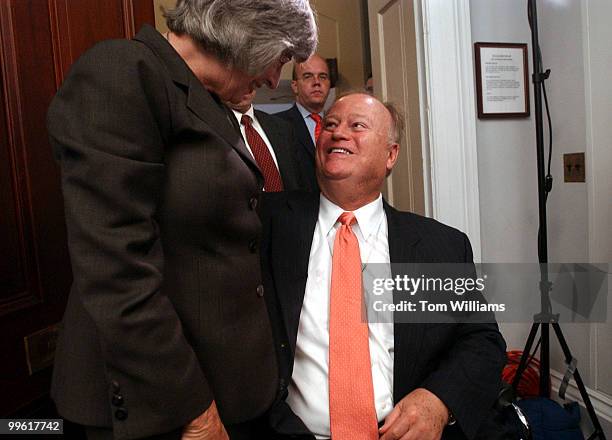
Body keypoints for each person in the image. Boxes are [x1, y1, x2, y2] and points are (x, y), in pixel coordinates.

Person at [46, 1, 316, 439]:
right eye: (280, 59)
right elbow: (116, 268)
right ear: (246, 35)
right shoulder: (124, 70)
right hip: (160, 402)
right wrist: (194, 411)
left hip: (226, 388)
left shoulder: (206, 99)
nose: (272, 79)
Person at [261, 93, 506, 440]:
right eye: (330, 124)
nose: (337, 133)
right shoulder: (268, 225)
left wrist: (438, 400)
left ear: (391, 155)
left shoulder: (438, 247)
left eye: (356, 125)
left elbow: (481, 340)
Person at [228, 90, 307, 192]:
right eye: (236, 78)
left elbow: (298, 180)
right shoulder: (214, 130)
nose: (243, 83)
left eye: (248, 76)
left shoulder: (282, 127)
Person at [274, 54, 332, 192]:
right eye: (308, 76)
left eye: (322, 76)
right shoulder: (276, 126)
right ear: (295, 86)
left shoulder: (339, 127)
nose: (317, 82)